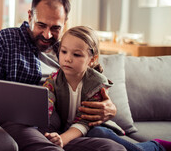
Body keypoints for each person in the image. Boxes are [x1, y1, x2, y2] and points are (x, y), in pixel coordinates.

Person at [0, 0, 125, 151]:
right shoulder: (3, 40)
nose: (47, 34)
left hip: (65, 130)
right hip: (24, 124)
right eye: (41, 25)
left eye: (56, 28)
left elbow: (92, 86)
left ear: (65, 23)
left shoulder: (68, 48)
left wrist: (111, 108)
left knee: (112, 148)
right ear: (30, 16)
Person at [43, 26, 171, 151]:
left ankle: (155, 146)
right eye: (64, 51)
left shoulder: (97, 84)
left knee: (98, 132)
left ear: (92, 59)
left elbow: (85, 122)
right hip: (65, 130)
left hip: (90, 129)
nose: (68, 58)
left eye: (76, 54)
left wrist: (62, 139)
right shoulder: (53, 79)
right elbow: (46, 101)